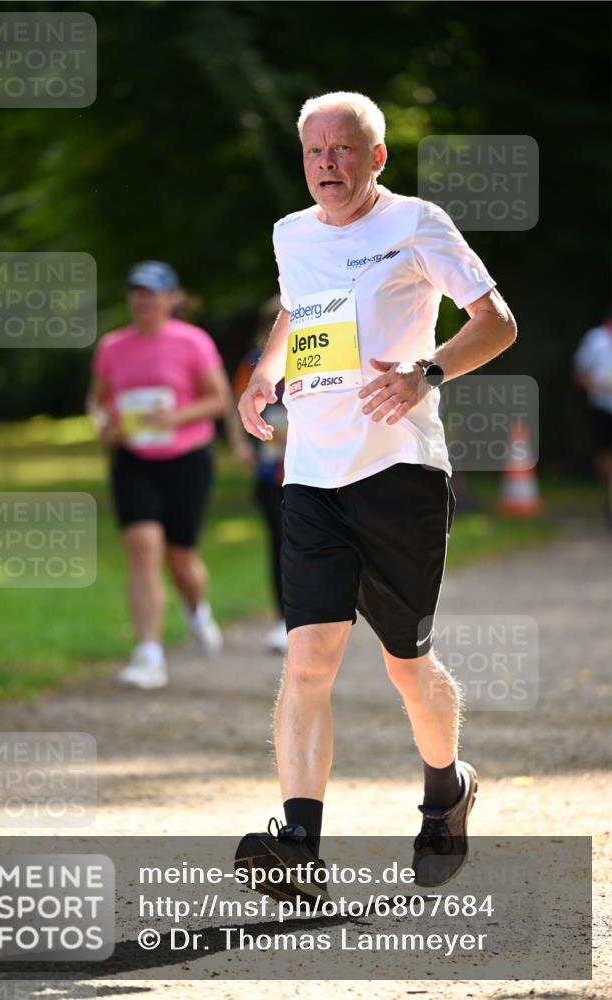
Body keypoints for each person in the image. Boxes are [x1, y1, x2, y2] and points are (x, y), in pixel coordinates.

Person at [234, 92, 517, 898]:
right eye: (314, 151)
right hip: (312, 476)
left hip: (400, 475)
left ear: (376, 157)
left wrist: (425, 373)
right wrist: (263, 373)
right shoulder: (291, 233)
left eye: (343, 149)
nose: (328, 163)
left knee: (404, 662)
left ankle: (445, 788)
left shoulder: (416, 224)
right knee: (308, 658)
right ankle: (298, 845)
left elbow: (495, 322)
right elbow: (297, 308)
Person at [87, 261, 230, 689]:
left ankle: (197, 611)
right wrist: (102, 425)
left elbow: (219, 400)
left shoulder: (193, 342)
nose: (143, 300)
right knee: (144, 547)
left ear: (171, 298)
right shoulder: (113, 346)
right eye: (137, 292)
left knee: (180, 555)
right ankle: (149, 653)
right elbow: (96, 401)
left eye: (153, 292)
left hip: (187, 458)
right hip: (133, 458)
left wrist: (175, 415)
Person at [229, 296, 289, 654]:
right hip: (270, 470)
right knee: (279, 543)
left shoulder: (323, 353)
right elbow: (236, 404)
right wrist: (240, 443)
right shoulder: (253, 363)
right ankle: (284, 619)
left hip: (317, 466)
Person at [573, 312, 612, 528]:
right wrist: (596, 386)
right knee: (605, 456)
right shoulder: (596, 340)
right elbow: (579, 372)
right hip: (602, 406)